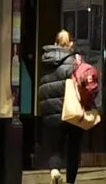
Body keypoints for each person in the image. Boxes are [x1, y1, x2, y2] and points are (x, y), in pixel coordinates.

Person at [35, 30, 96, 184]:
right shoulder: (75, 62)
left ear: (55, 43)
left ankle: (55, 171)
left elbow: (43, 87)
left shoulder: (46, 62)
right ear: (70, 44)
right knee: (73, 147)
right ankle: (70, 181)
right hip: (72, 110)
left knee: (55, 146)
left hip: (51, 112)